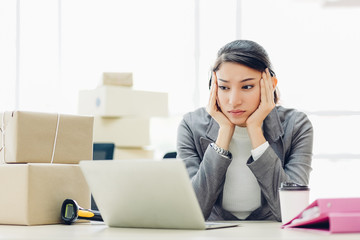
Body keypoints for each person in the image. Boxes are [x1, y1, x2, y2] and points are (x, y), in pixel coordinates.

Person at [176, 40, 313, 222]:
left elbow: (290, 213)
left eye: (247, 86)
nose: (234, 101)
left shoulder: (296, 126)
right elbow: (191, 212)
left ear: (270, 85)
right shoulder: (191, 125)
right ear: (213, 87)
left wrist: (255, 130)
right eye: (224, 87)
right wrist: (224, 132)